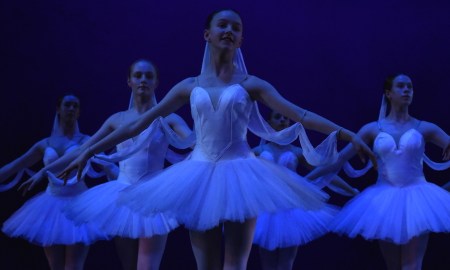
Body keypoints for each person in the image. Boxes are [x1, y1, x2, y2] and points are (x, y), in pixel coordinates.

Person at [57, 9, 375, 270]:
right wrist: (87, 151)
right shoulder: (188, 85)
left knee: (235, 264)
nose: (229, 30)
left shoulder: (252, 84)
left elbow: (300, 114)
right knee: (205, 265)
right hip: (198, 174)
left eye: (235, 27)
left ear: (240, 40)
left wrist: (348, 134)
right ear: (207, 34)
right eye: (222, 25)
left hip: (242, 173)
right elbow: (137, 124)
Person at [21, 59, 193, 270]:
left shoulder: (170, 118)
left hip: (154, 195)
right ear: (129, 81)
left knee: (147, 267)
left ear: (157, 82)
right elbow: (84, 148)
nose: (143, 80)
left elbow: (195, 141)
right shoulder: (117, 120)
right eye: (138, 75)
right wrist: (44, 171)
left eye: (149, 76)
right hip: (121, 197)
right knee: (128, 266)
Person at [307, 74, 450, 270]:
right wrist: (305, 180)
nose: (407, 90)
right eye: (401, 86)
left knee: (413, 266)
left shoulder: (425, 128)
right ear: (388, 93)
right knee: (393, 266)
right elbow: (339, 159)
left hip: (418, 197)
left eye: (410, 87)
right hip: (384, 199)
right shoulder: (372, 130)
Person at [1, 94, 107, 270]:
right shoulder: (45, 144)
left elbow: (106, 163)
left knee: (74, 266)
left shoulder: (86, 141)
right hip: (50, 205)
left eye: (75, 106)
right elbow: (15, 165)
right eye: (68, 105)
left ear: (79, 112)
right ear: (58, 109)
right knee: (55, 266)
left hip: (78, 204)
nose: (71, 109)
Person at [252, 111, 357, 270]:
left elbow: (325, 174)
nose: (283, 120)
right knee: (267, 264)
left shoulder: (296, 152)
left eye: (285, 117)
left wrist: (350, 189)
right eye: (278, 117)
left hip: (291, 209)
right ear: (268, 122)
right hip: (266, 209)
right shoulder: (258, 151)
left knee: (286, 263)